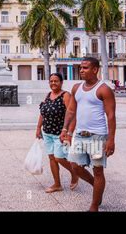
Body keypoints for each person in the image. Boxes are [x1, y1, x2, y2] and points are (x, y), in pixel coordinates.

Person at [60, 57, 116, 212]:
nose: (81, 70)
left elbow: (111, 116)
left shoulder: (104, 89)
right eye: (80, 67)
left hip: (97, 137)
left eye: (85, 68)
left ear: (95, 69)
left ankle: (94, 205)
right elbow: (71, 110)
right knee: (75, 166)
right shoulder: (76, 88)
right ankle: (96, 185)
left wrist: (111, 140)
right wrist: (65, 130)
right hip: (79, 135)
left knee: (98, 169)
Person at [36, 73, 78, 193]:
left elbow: (72, 115)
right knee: (52, 158)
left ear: (61, 82)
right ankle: (57, 184)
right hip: (47, 133)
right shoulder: (48, 95)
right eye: (51, 81)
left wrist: (69, 133)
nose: (53, 83)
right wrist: (38, 128)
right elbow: (42, 113)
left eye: (56, 81)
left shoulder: (66, 96)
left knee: (59, 157)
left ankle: (75, 172)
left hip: (60, 134)